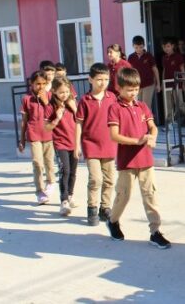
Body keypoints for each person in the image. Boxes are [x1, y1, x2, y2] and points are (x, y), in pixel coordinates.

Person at [106, 67, 171, 249]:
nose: (133, 93)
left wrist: (153, 137)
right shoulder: (115, 108)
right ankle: (113, 220)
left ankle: (155, 232)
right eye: (129, 89)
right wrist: (137, 140)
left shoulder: (142, 106)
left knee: (150, 195)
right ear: (119, 88)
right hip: (126, 161)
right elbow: (114, 135)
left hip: (146, 161)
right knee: (123, 196)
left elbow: (153, 127)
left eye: (136, 89)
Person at [75, 63, 118, 226]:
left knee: (109, 180)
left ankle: (105, 208)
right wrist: (76, 145)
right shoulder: (85, 100)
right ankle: (91, 208)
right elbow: (78, 123)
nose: (103, 82)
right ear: (90, 79)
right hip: (90, 144)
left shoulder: (112, 98)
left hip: (109, 144)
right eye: (99, 79)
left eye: (106, 79)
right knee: (95, 179)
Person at [18, 70, 55, 205]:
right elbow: (24, 120)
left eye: (44, 84)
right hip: (34, 135)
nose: (41, 87)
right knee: (37, 163)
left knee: (49, 161)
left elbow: (54, 114)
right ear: (31, 84)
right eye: (37, 84)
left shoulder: (50, 96)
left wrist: (46, 101)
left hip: (49, 134)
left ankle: (51, 182)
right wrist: (21, 139)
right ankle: (39, 191)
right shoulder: (26, 99)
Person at [44, 76, 78, 216]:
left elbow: (80, 122)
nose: (65, 95)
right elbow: (46, 127)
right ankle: (63, 201)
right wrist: (57, 117)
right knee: (65, 170)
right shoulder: (50, 106)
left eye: (67, 92)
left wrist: (75, 108)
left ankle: (70, 195)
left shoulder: (72, 103)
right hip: (61, 143)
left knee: (73, 172)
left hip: (74, 142)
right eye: (61, 92)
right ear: (54, 91)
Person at [128, 36, 160, 111]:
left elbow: (155, 70)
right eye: (136, 47)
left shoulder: (149, 56)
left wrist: (158, 84)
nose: (139, 49)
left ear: (144, 45)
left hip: (148, 84)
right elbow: (129, 71)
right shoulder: (131, 57)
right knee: (138, 105)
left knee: (146, 105)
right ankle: (141, 122)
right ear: (133, 46)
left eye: (141, 47)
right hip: (136, 85)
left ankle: (149, 122)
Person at [161, 38, 185, 123]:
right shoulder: (164, 57)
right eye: (164, 47)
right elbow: (164, 70)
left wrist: (184, 83)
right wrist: (163, 83)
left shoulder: (178, 56)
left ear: (172, 46)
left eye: (168, 46)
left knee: (180, 103)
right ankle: (169, 123)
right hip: (167, 84)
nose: (166, 48)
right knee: (168, 105)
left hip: (177, 84)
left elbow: (182, 69)